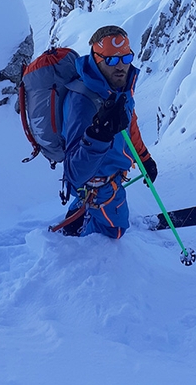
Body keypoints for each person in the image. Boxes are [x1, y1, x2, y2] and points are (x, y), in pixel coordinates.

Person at [61, 25, 158, 239]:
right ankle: (76, 248)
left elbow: (129, 124)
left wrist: (144, 158)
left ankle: (77, 218)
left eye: (126, 57)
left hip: (108, 175)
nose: (121, 66)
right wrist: (98, 136)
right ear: (96, 59)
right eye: (112, 60)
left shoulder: (118, 87)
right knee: (114, 232)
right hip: (100, 184)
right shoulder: (83, 102)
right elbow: (74, 173)